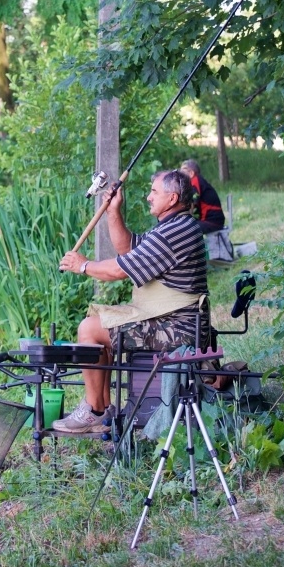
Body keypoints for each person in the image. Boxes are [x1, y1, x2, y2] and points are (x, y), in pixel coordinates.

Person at [55, 168, 207, 434]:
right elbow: (128, 248)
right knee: (94, 326)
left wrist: (83, 266)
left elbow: (119, 270)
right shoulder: (173, 226)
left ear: (172, 198)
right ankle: (100, 409)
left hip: (179, 328)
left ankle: (95, 411)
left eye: (154, 192)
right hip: (168, 320)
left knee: (90, 329)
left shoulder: (176, 231)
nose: (149, 197)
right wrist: (113, 211)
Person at [180, 158, 225, 234]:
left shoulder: (195, 181)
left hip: (211, 221)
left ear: (191, 173)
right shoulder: (198, 181)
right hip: (211, 220)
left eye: (182, 172)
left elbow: (193, 203)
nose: (180, 175)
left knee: (183, 229)